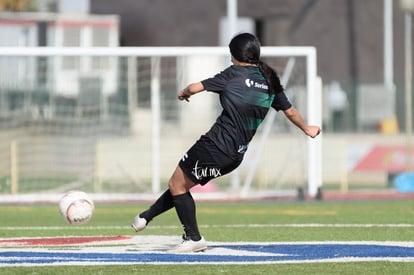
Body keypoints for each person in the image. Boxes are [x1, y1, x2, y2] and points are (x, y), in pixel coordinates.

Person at [131, 33, 321, 253]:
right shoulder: (268, 79)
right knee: (180, 185)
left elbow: (194, 87)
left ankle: (193, 238)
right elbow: (290, 111)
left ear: (234, 55)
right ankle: (146, 217)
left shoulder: (233, 74)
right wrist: (307, 128)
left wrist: (183, 93)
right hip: (234, 156)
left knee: (177, 184)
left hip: (215, 146)